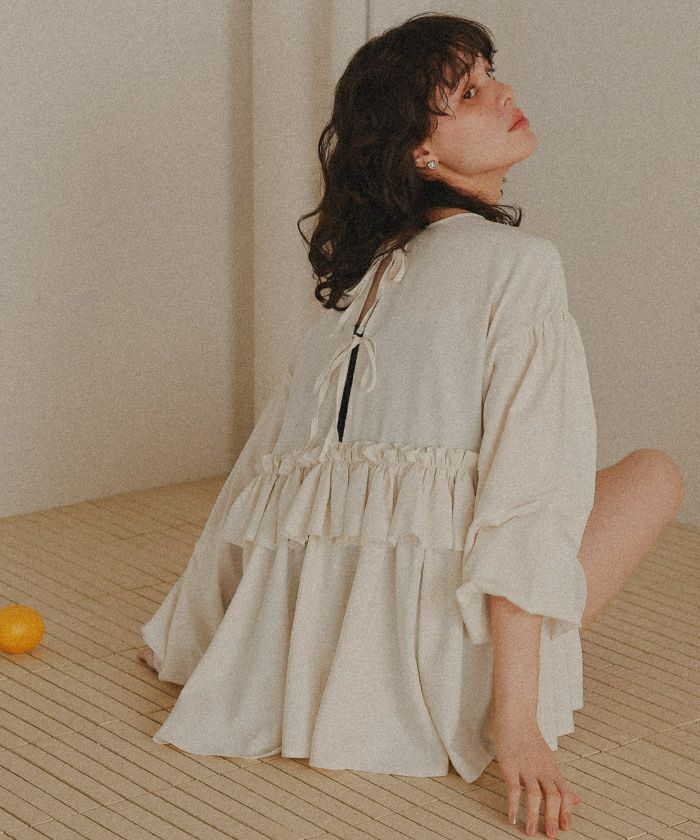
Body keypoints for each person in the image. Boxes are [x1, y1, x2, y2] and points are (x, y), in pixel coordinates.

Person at [138, 12, 684, 839]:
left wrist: (196, 640)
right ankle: (499, 689)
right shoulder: (523, 267)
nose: (502, 93)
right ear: (422, 154)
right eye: (468, 93)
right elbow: (527, 496)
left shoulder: (362, 283)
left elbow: (262, 479)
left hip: (312, 661)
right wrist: (517, 721)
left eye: (490, 74)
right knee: (653, 476)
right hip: (444, 666)